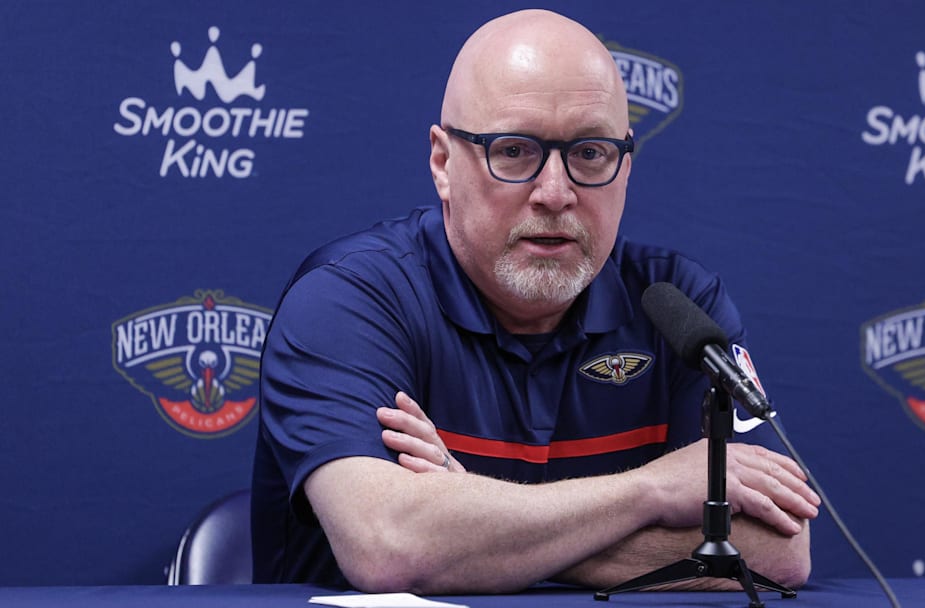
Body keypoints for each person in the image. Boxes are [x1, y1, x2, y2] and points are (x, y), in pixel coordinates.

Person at [252, 8, 820, 594]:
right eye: (516, 150)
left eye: (591, 153)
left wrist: (468, 517)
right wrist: (648, 490)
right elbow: (391, 546)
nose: (556, 193)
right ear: (444, 163)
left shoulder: (679, 308)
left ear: (626, 166)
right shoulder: (350, 301)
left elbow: (778, 547)